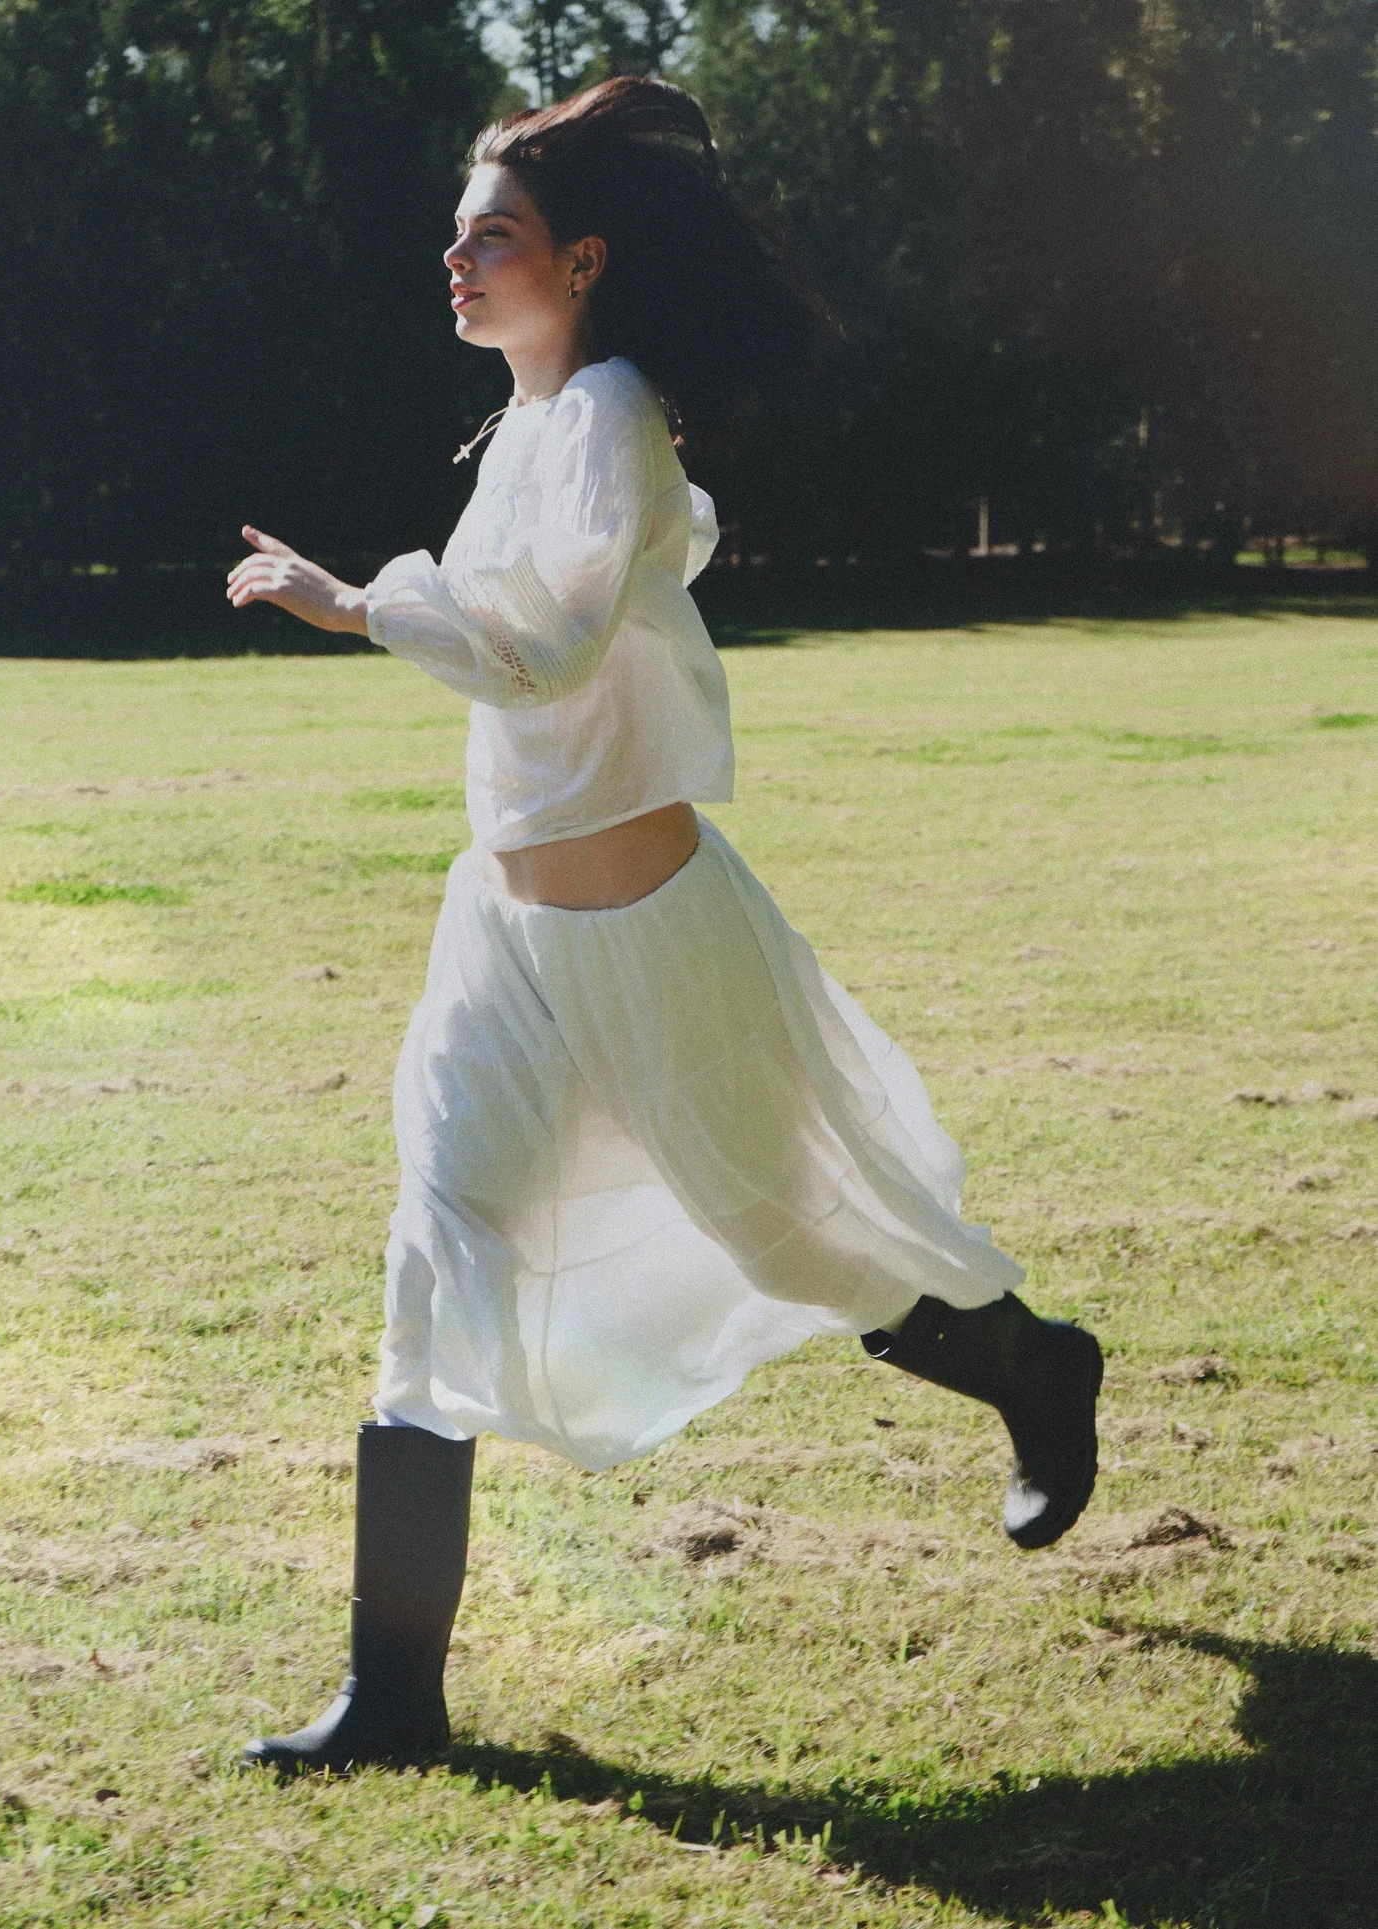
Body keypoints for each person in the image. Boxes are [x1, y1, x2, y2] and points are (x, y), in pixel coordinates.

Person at [226, 76, 1102, 1778]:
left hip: (648, 927)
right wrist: (394, 597)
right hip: (506, 926)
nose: (460, 260)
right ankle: (392, 1702)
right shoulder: (535, 428)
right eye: (461, 233)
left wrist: (354, 599)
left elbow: (544, 648)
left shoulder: (613, 410)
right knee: (438, 1255)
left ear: (589, 259)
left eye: (498, 235)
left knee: (796, 1240)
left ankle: (1034, 1367)